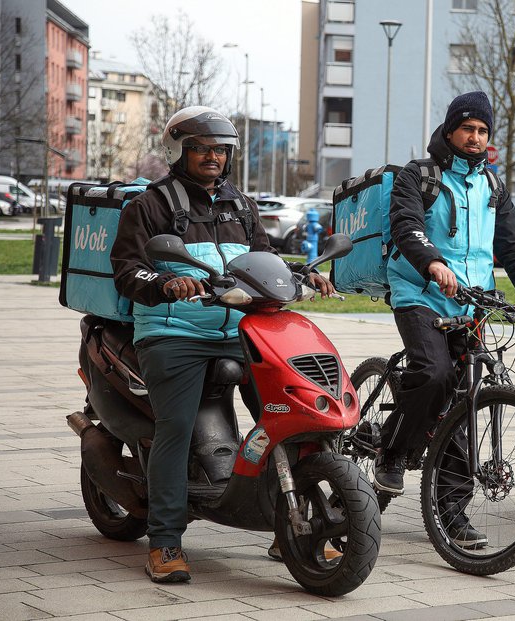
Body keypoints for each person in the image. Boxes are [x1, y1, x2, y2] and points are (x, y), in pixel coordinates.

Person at [110, 106, 333, 583]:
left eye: (220, 150)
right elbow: (128, 271)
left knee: (291, 416)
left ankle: (293, 522)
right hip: (177, 334)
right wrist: (166, 285)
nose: (212, 157)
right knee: (176, 425)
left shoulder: (242, 205)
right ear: (178, 152)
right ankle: (166, 541)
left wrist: (301, 273)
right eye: (201, 149)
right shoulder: (149, 206)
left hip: (242, 330)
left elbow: (264, 260)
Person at [373, 91, 515, 548]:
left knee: (465, 401)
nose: (475, 138)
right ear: (451, 130)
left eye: (482, 131)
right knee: (434, 373)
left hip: (472, 303)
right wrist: (433, 262)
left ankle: (451, 514)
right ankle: (392, 451)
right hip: (420, 291)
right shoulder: (419, 175)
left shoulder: (493, 187)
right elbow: (407, 226)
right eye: (467, 129)